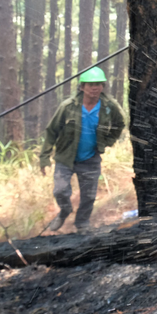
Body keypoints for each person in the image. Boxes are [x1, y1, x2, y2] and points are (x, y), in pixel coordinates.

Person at [39, 67, 127, 233]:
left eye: (99, 84)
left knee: (89, 196)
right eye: (91, 84)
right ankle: (65, 211)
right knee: (60, 191)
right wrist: (44, 157)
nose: (95, 88)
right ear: (82, 87)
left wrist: (108, 141)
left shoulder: (108, 106)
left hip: (91, 158)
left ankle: (82, 223)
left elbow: (120, 123)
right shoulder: (67, 107)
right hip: (66, 157)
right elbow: (52, 131)